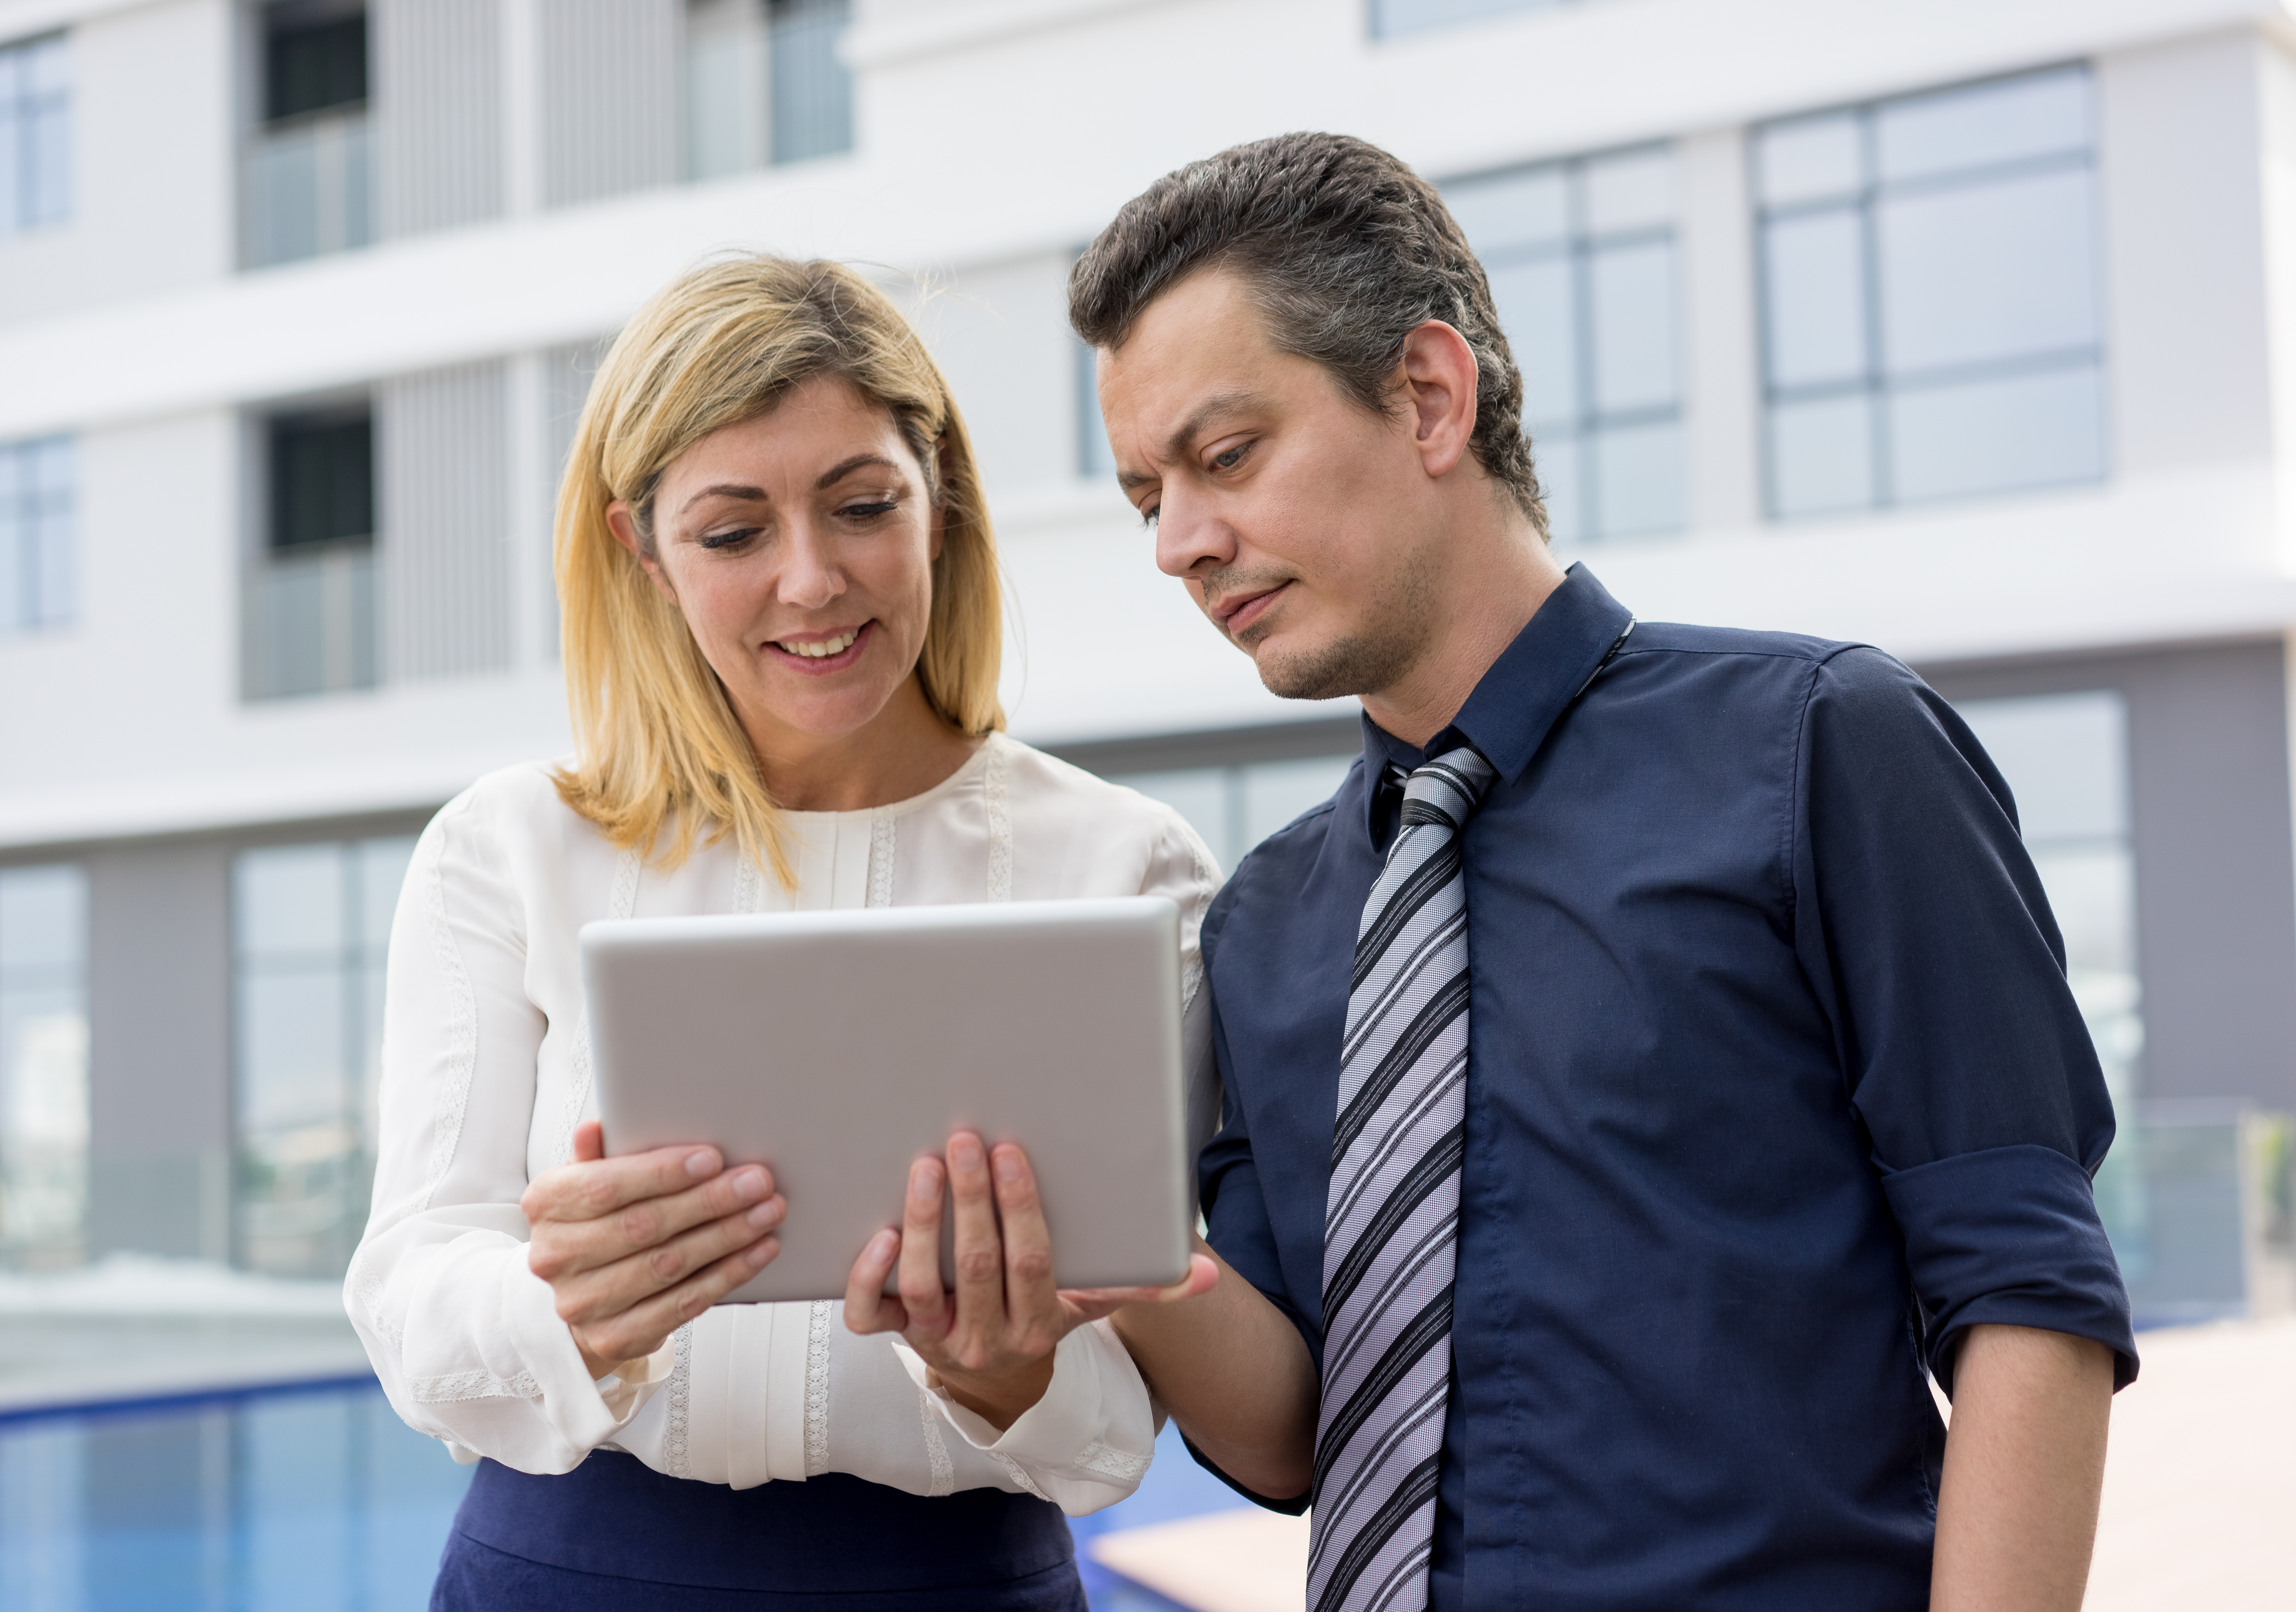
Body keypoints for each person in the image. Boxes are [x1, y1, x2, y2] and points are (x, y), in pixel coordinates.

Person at [1071, 133, 2136, 1612]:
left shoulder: (1826, 747)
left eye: (1226, 456)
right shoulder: (1266, 921)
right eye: (1145, 499)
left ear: (1429, 396)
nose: (1182, 544)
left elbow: (2025, 1294)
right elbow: (1291, 1434)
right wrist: (1109, 1247)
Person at [346, 256, 1220, 1611]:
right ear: (646, 553)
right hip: (564, 1577)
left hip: (957, 1585)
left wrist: (1006, 1365)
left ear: (940, 506)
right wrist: (562, 1300)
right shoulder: (508, 849)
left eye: (861, 506)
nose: (810, 583)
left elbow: (1133, 1400)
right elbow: (408, 1293)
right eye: (733, 532)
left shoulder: (1122, 866)